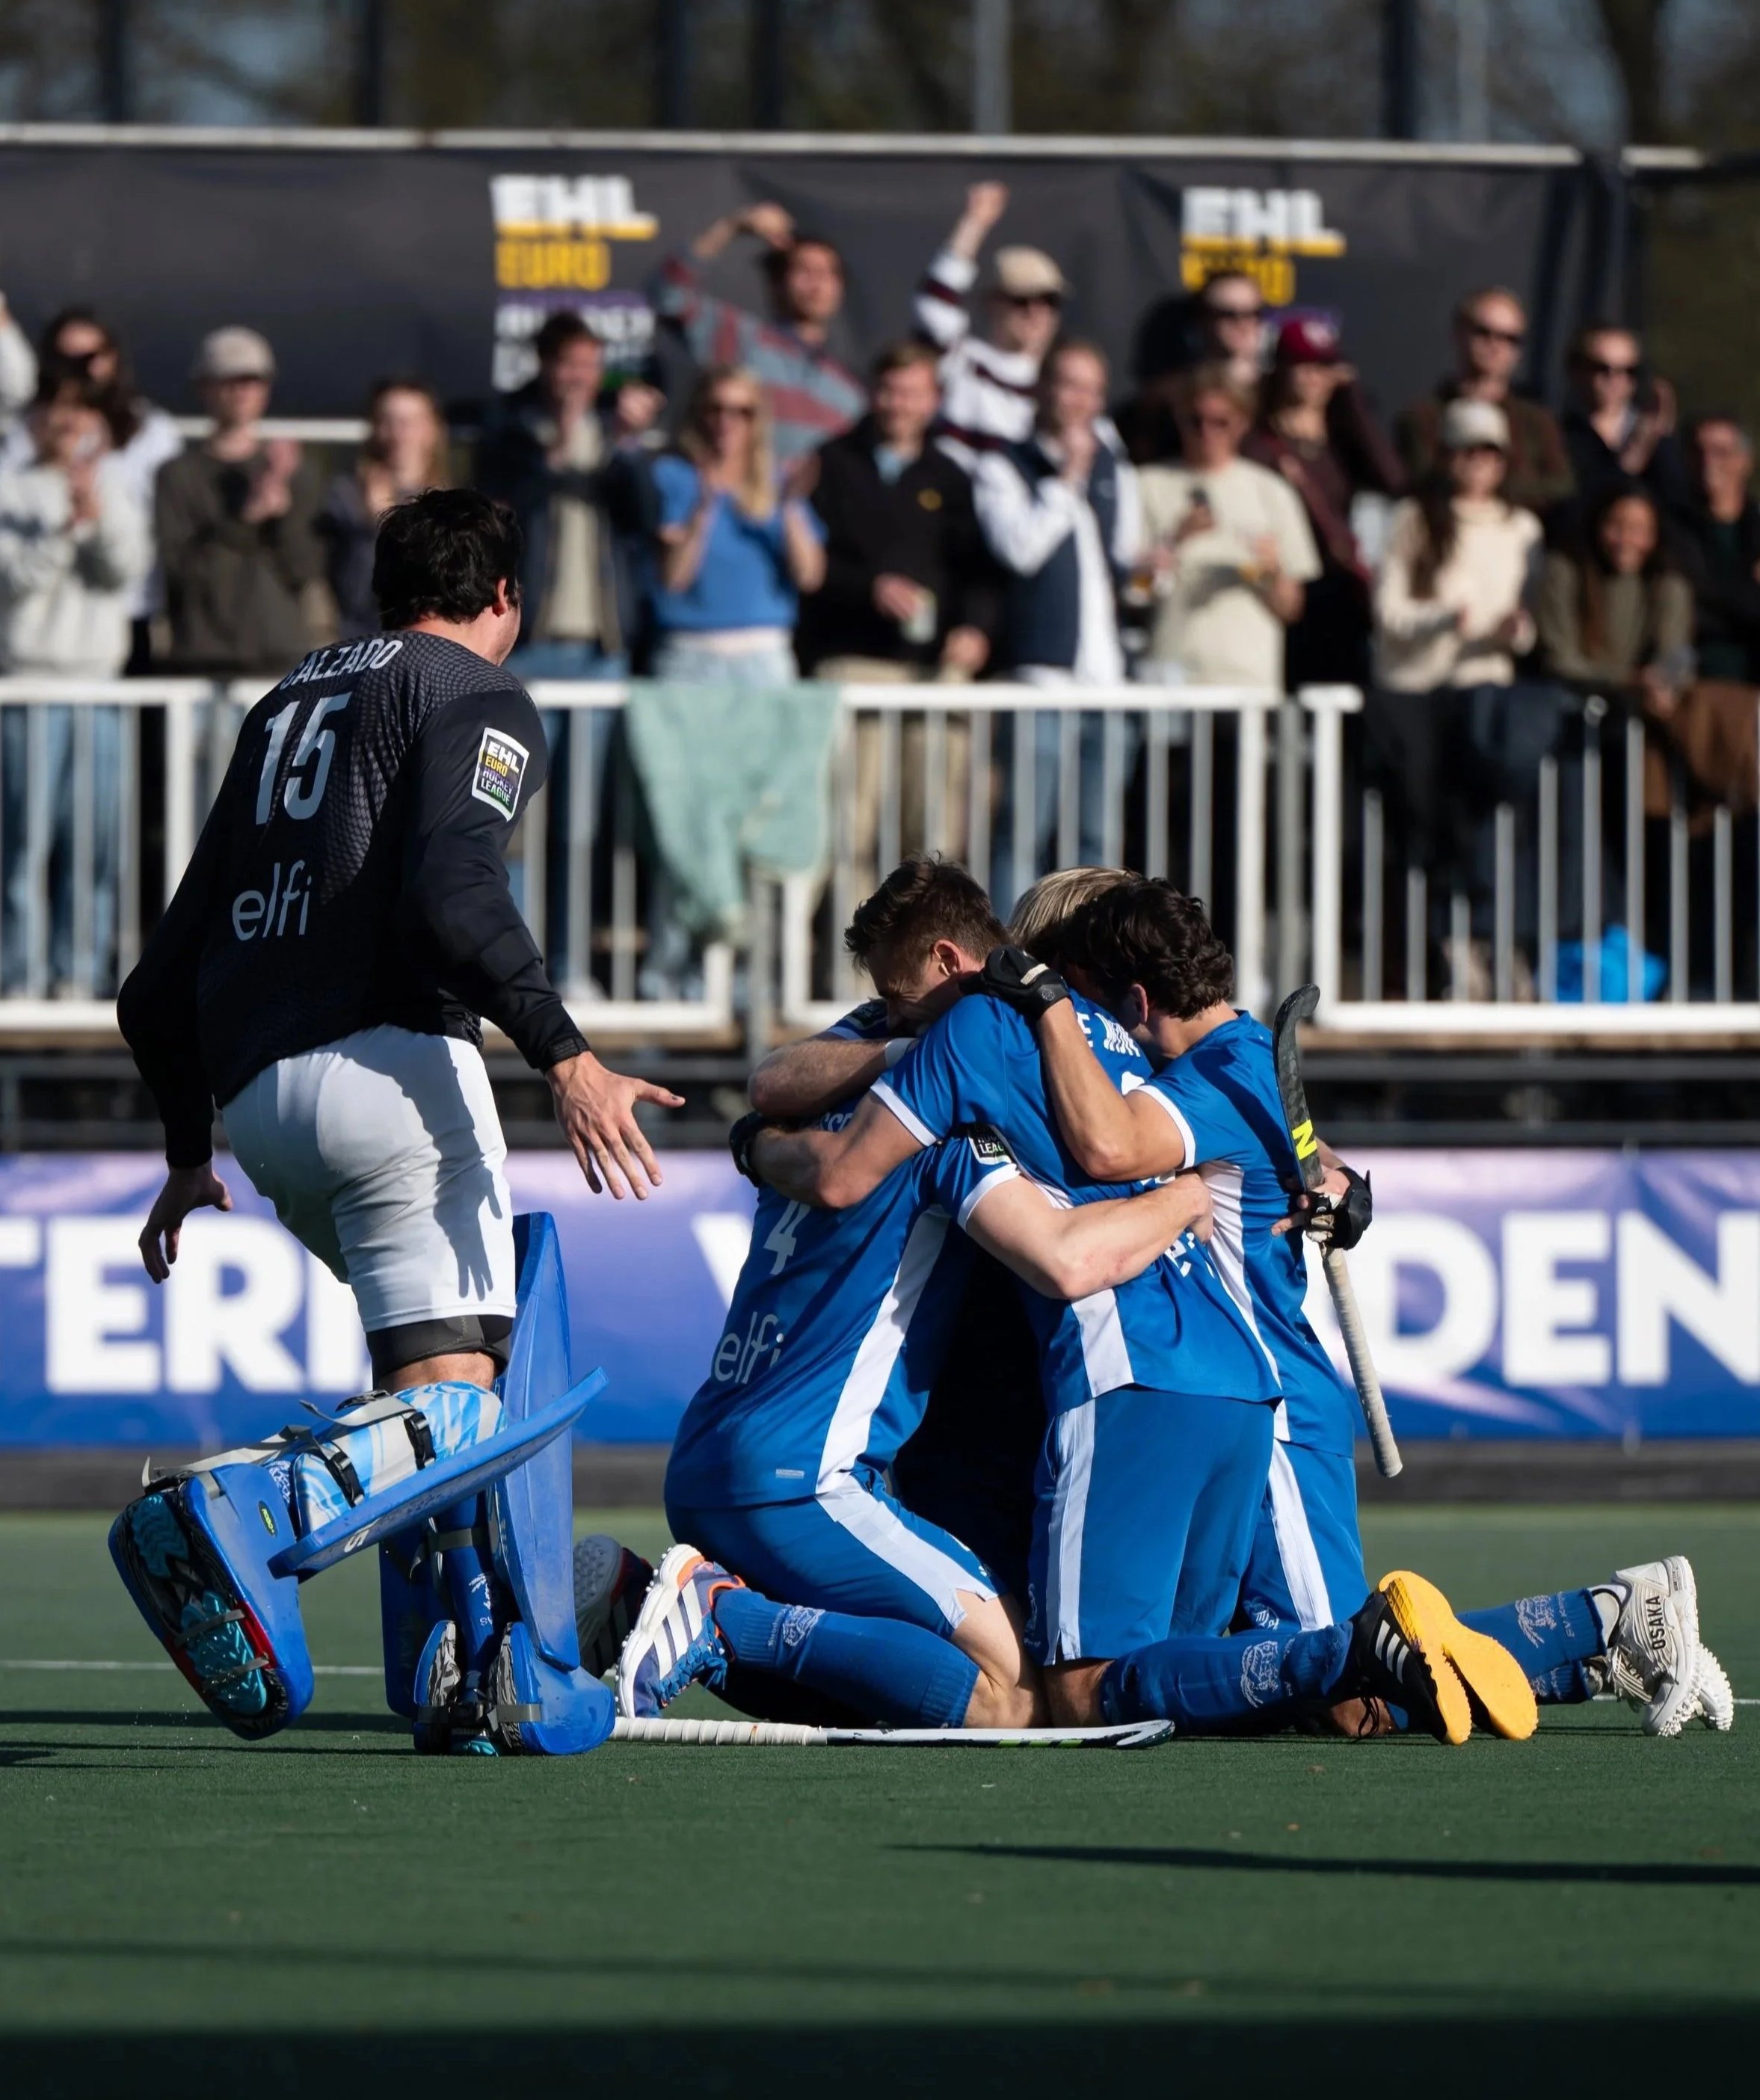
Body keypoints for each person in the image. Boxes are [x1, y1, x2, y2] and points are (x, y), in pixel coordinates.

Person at [995, 870, 1732, 1736]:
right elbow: (1308, 1163)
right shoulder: (1228, 1064)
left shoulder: (1204, 1075)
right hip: (1260, 1390)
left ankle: (1604, 1615)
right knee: (1304, 1683)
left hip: (1267, 1401)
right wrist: (1345, 1188)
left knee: (1357, 1694)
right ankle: (1596, 1646)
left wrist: (1037, 1007)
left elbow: (1110, 1144)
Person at [615, 866, 1219, 1732]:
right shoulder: (956, 1101)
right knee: (1010, 1696)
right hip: (802, 1481)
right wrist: (1189, 1194)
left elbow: (776, 1105)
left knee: (917, 1661)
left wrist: (756, 1147)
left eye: (898, 1001)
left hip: (713, 1454)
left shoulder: (868, 1086)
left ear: (943, 959)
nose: (888, 1014)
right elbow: (1062, 1255)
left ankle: (643, 1601)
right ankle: (718, 1616)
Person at [0, 367, 150, 993]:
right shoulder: (10, 489)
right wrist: (65, 529)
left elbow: (127, 571)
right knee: (23, 846)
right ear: (36, 421)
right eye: (56, 412)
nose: (68, 425)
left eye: (80, 413)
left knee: (95, 846)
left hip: (99, 690)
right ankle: (20, 975)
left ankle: (81, 975)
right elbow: (12, 581)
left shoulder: (114, 489)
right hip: (27, 690)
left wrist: (93, 513)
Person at [973, 339, 1140, 890]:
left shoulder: (1113, 465)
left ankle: (1087, 965)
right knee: (1023, 831)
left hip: (1106, 682)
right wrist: (1065, 480)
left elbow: (1123, 563)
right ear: (1042, 387)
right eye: (1069, 384)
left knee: (1096, 839)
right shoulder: (1005, 463)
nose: (1079, 400)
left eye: (1091, 389)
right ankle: (1005, 967)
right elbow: (1020, 548)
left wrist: (1154, 567)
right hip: (1040, 680)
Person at [475, 312, 664, 680]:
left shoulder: (614, 437)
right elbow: (500, 519)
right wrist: (560, 441)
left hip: (604, 644)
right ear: (545, 365)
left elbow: (646, 517)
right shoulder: (511, 433)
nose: (580, 377)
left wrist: (628, 445)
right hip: (527, 641)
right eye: (569, 364)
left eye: (590, 365)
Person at [1, 307, 184, 671]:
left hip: (125, 619)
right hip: (37, 639)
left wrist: (99, 515)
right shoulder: (24, 442)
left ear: (113, 358)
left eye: (88, 358)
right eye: (64, 359)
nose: (77, 370)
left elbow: (147, 541)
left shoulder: (152, 430)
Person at [1243, 315, 1404, 687]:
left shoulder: (1342, 440)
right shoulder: (1260, 443)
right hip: (1284, 587)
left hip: (1338, 589)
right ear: (1279, 368)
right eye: (1301, 364)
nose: (1313, 376)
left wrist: (1351, 397)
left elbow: (1393, 480)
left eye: (1323, 365)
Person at [1137, 363, 1319, 690]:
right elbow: (1135, 594)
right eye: (1196, 421)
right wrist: (1173, 542)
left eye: (1220, 422)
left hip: (1246, 684)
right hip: (1170, 681)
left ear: (1242, 424)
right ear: (1180, 419)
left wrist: (1269, 572)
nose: (1207, 432)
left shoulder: (1271, 492)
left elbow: (1291, 608)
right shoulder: (1147, 485)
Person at [155, 326, 323, 677]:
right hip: (202, 661)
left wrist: (282, 511)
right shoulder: (177, 475)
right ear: (203, 387)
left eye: (252, 381)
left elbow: (304, 568)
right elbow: (182, 572)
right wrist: (244, 520)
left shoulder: (295, 471)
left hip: (279, 658)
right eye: (227, 381)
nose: (241, 392)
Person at [650, 364, 825, 686]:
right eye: (715, 408)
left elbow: (810, 576)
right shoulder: (671, 476)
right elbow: (674, 578)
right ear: (699, 413)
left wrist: (789, 506)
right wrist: (702, 508)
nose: (725, 422)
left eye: (742, 412)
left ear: (757, 420)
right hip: (689, 652)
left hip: (764, 653)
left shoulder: (780, 484)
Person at [651, 203, 864, 466]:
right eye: (804, 271)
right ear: (776, 282)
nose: (817, 284)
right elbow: (667, 294)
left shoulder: (852, 392)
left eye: (828, 273)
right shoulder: (736, 337)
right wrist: (731, 227)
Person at [912, 181, 1067, 462]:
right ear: (992, 304)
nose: (1035, 312)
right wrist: (975, 224)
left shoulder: (1063, 389)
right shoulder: (963, 363)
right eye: (1021, 300)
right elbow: (935, 306)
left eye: (1048, 301)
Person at [1395, 286, 1572, 520]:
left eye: (1510, 339)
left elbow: (1561, 487)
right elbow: (1421, 480)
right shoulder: (1422, 417)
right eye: (1484, 332)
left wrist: (1495, 487)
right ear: (1459, 333)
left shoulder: (1537, 421)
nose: (1495, 345)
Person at [319, 377, 451, 641]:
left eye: (409, 423)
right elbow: (355, 592)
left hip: (425, 647)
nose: (398, 434)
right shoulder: (344, 498)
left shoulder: (451, 508)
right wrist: (371, 525)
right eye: (388, 421)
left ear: (431, 430)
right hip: (356, 643)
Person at [1119, 268, 1267, 467]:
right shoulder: (1169, 396)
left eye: (1252, 314)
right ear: (1202, 321)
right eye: (1228, 314)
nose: (1242, 324)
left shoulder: (1280, 391)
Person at [1559, 324, 1688, 531]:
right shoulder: (1558, 436)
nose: (1615, 380)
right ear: (1576, 370)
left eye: (1628, 371)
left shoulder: (1658, 438)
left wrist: (1659, 441)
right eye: (1602, 368)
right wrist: (1630, 459)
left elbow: (1678, 508)